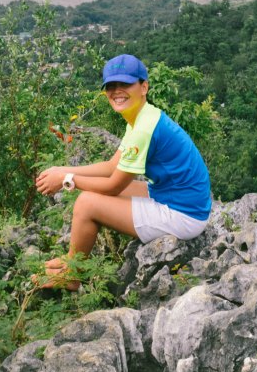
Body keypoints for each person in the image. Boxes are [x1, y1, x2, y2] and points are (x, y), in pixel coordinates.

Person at [34, 54, 212, 289]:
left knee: (87, 203)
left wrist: (66, 180)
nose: (117, 91)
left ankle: (72, 276)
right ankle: (71, 261)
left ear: (144, 87)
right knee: (102, 192)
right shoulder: (142, 117)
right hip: (175, 196)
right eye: (111, 86)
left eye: (125, 84)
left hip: (184, 214)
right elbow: (111, 167)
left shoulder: (143, 128)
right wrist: (61, 169)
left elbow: (113, 185)